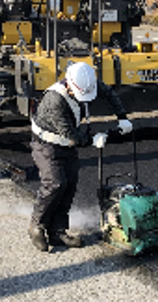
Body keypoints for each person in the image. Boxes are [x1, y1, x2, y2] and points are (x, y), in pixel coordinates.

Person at [29, 61, 132, 252]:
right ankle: (37, 226)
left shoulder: (88, 82)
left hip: (66, 145)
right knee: (55, 184)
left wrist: (122, 116)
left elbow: (108, 93)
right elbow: (71, 134)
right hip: (46, 145)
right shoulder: (55, 100)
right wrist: (93, 139)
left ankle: (58, 231)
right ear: (69, 84)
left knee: (70, 185)